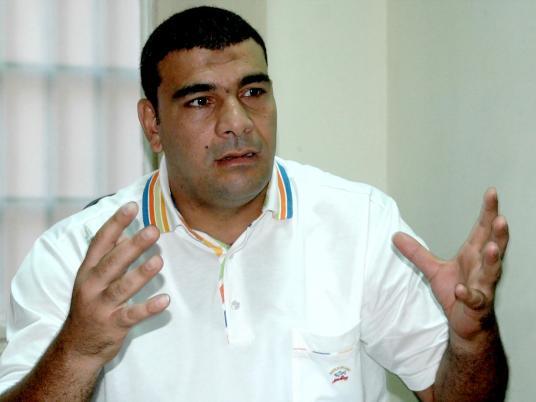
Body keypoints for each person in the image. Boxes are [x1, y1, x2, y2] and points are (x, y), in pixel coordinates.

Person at [0, 6, 508, 402]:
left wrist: (472, 340)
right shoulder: (76, 254)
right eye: (201, 101)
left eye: (253, 92)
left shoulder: (361, 224)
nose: (237, 123)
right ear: (153, 125)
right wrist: (78, 350)